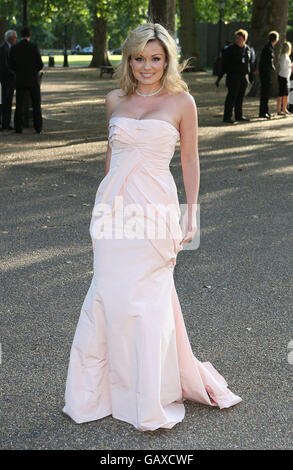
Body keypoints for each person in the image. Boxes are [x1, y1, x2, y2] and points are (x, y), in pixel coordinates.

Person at [62, 22, 242, 432]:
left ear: (167, 60)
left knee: (147, 300)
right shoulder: (113, 100)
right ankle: (100, 393)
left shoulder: (183, 102)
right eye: (139, 58)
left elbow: (191, 160)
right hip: (113, 210)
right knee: (108, 293)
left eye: (156, 58)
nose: (147, 66)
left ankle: (147, 394)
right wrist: (102, 213)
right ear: (128, 59)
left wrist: (191, 212)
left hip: (156, 209)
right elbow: (111, 160)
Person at [9, 26, 43, 134]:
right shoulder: (34, 47)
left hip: (20, 79)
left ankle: (18, 127)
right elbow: (40, 64)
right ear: (29, 35)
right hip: (33, 79)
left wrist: (18, 72)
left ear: (21, 35)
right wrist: (33, 71)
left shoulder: (15, 48)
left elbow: (10, 64)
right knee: (36, 103)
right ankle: (38, 127)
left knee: (19, 104)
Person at [221, 29, 253, 124]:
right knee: (231, 96)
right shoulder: (231, 49)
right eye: (237, 38)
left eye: (239, 38)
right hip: (233, 76)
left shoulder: (247, 49)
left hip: (243, 76)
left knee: (240, 97)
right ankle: (227, 116)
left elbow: (249, 62)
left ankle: (239, 115)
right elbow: (225, 62)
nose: (237, 40)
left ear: (244, 39)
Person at [258, 31, 279, 119]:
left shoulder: (268, 47)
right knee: (265, 93)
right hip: (266, 73)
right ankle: (263, 111)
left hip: (265, 73)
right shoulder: (268, 48)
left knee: (266, 93)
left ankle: (265, 111)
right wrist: (272, 67)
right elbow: (268, 61)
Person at [0, 30, 17, 130]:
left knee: (9, 102)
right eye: (15, 37)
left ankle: (6, 123)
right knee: (3, 102)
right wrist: (15, 73)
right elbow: (4, 66)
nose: (16, 39)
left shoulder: (11, 48)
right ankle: (3, 123)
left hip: (10, 80)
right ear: (10, 38)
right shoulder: (2, 49)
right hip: (4, 80)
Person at [277, 41, 293, 115]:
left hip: (286, 76)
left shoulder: (286, 56)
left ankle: (284, 108)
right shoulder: (284, 56)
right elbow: (283, 67)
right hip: (282, 76)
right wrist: (290, 66)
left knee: (285, 94)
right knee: (281, 94)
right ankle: (279, 110)